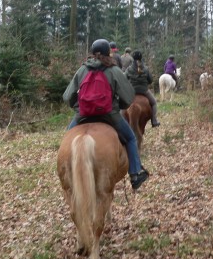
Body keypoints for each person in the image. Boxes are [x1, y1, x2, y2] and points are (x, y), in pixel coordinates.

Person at [62, 39, 149, 190]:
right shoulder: (114, 71)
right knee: (130, 138)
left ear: (92, 53)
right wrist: (117, 106)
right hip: (109, 114)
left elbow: (67, 96)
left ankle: (65, 173)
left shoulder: (82, 70)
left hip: (83, 114)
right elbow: (128, 98)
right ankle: (135, 175)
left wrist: (77, 107)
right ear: (108, 53)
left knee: (66, 142)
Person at [124, 50, 160, 127]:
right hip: (144, 91)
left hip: (132, 91)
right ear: (141, 58)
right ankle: (154, 121)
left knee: (121, 105)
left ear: (133, 58)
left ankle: (121, 122)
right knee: (154, 103)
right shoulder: (146, 69)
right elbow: (150, 80)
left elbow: (124, 79)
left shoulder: (129, 69)